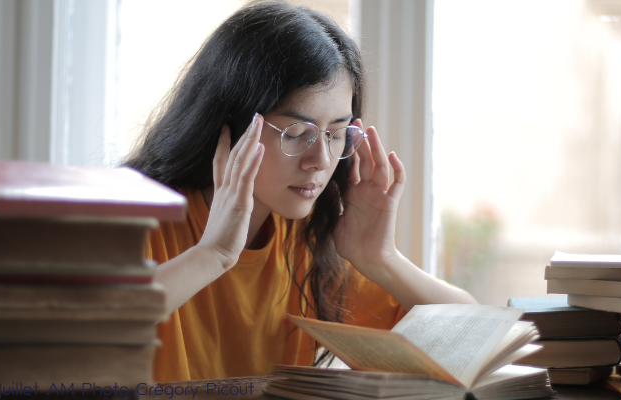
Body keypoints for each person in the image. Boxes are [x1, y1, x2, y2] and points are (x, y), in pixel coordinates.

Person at [124, 0, 477, 382]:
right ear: (229, 126)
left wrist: (380, 258)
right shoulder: (137, 221)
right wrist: (213, 254)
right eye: (296, 134)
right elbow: (70, 331)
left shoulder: (304, 240)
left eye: (336, 134)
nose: (321, 160)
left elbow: (472, 336)